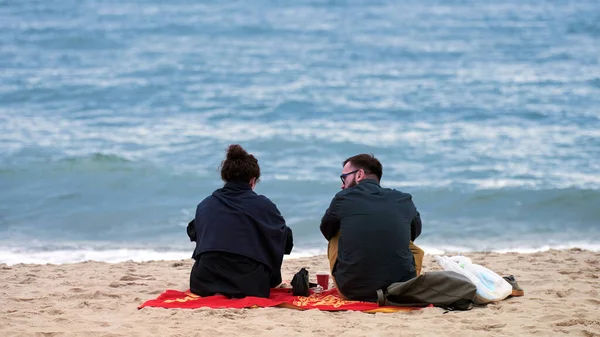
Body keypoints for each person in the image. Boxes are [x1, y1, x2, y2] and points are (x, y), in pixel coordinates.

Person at [187, 144, 293, 298]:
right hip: (249, 285)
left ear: (226, 178)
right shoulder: (263, 205)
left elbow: (193, 232)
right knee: (276, 235)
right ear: (253, 180)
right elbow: (285, 240)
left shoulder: (206, 204)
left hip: (204, 282)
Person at [320, 154, 424, 302]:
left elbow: (327, 230)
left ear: (359, 174)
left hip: (352, 291)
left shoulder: (343, 198)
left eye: (344, 178)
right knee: (407, 241)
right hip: (402, 289)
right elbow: (415, 232)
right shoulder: (403, 199)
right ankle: (405, 280)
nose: (342, 185)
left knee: (336, 233)